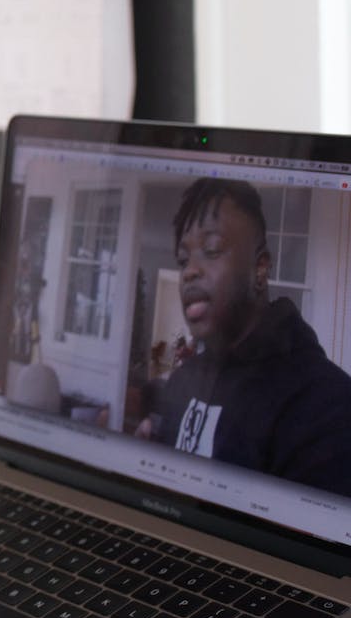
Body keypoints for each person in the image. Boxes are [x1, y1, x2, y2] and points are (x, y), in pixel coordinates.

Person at [134, 178, 351, 498]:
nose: (189, 272)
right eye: (183, 260)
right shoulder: (183, 380)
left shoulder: (327, 404)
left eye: (211, 250)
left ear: (260, 269)